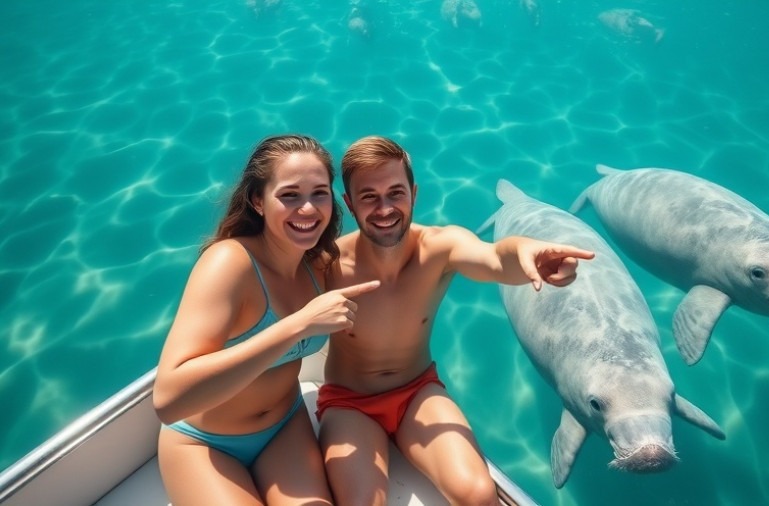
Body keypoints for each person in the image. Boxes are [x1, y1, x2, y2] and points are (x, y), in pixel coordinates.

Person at [318, 135, 595, 505]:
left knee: (479, 495)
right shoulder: (328, 263)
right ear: (349, 205)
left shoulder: (440, 247)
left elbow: (495, 258)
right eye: (369, 197)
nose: (385, 208)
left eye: (395, 193)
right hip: (348, 402)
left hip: (417, 391)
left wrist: (530, 251)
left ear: (414, 193)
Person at [152, 135, 379, 505]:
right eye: (289, 195)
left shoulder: (317, 263)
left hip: (284, 428)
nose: (307, 209)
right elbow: (168, 400)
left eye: (319, 193)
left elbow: (389, 253)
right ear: (258, 200)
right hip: (204, 442)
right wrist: (299, 325)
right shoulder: (229, 264)